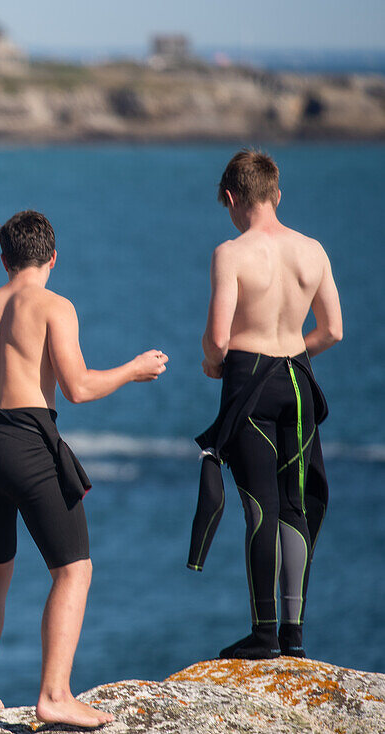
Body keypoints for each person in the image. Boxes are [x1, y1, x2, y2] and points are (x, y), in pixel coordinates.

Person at [0, 211, 167, 728]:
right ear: (52, 256)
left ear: (4, 259)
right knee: (73, 569)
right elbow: (78, 388)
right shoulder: (54, 305)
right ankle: (55, 695)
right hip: (27, 436)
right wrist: (135, 370)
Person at [192, 150, 341, 660]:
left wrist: (215, 365)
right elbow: (333, 330)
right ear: (276, 193)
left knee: (260, 507)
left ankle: (263, 633)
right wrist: (291, 356)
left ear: (233, 198)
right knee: (294, 507)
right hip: (298, 380)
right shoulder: (313, 250)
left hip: (249, 381)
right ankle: (294, 635)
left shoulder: (231, 254)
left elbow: (216, 339)